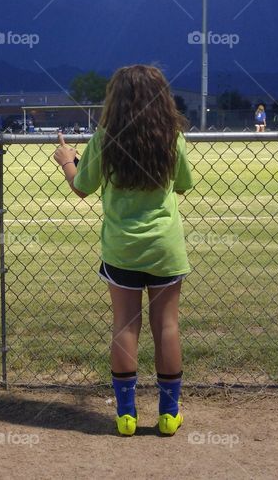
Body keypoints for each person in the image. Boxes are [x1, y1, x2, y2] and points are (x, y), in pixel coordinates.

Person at [54, 65, 194, 437]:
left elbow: (82, 187)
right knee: (167, 325)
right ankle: (168, 413)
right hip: (165, 248)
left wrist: (67, 159)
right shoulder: (172, 138)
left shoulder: (105, 138)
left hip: (121, 250)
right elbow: (183, 185)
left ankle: (126, 414)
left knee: (125, 325)